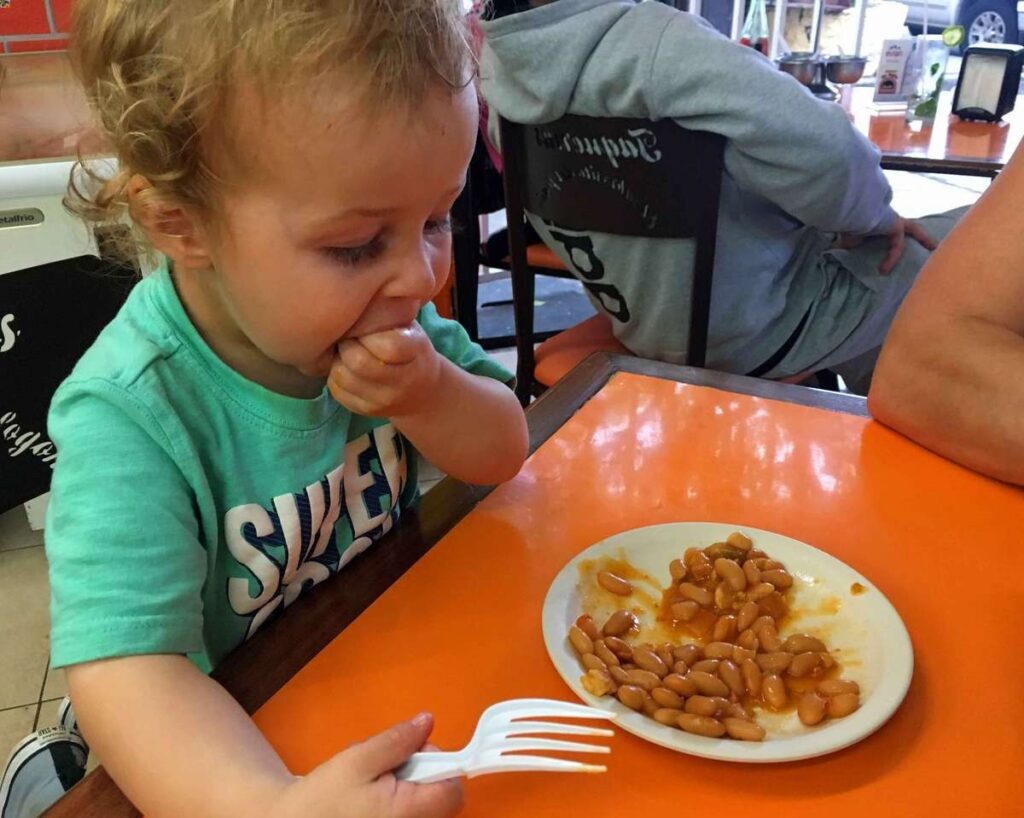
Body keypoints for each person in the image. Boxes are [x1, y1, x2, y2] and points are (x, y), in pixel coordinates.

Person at [1, 2, 528, 817]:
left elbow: (501, 452)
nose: (422, 276)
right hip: (203, 741)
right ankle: (51, 773)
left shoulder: (397, 322)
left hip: (345, 663)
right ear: (179, 223)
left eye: (433, 220)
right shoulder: (132, 412)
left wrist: (433, 395)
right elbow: (128, 667)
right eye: (356, 245)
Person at [479, 0, 966, 394]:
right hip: (756, 336)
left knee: (866, 270)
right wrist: (872, 220)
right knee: (954, 245)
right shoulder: (659, 44)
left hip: (639, 326)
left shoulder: (497, 66)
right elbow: (835, 154)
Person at [869, 146, 1024, 486]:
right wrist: (873, 218)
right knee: (903, 249)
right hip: (764, 324)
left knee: (904, 248)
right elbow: (917, 371)